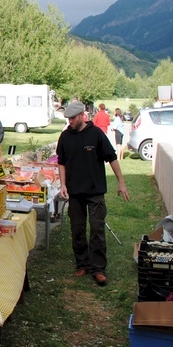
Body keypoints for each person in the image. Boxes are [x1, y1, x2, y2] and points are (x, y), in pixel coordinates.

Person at [57, 101, 130, 287]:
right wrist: (63, 184)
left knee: (97, 229)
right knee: (77, 229)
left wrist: (121, 182)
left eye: (73, 118)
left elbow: (112, 157)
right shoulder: (65, 137)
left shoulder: (96, 134)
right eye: (68, 119)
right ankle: (82, 263)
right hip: (74, 192)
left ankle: (98, 269)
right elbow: (62, 162)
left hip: (95, 191)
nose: (70, 121)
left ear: (83, 115)